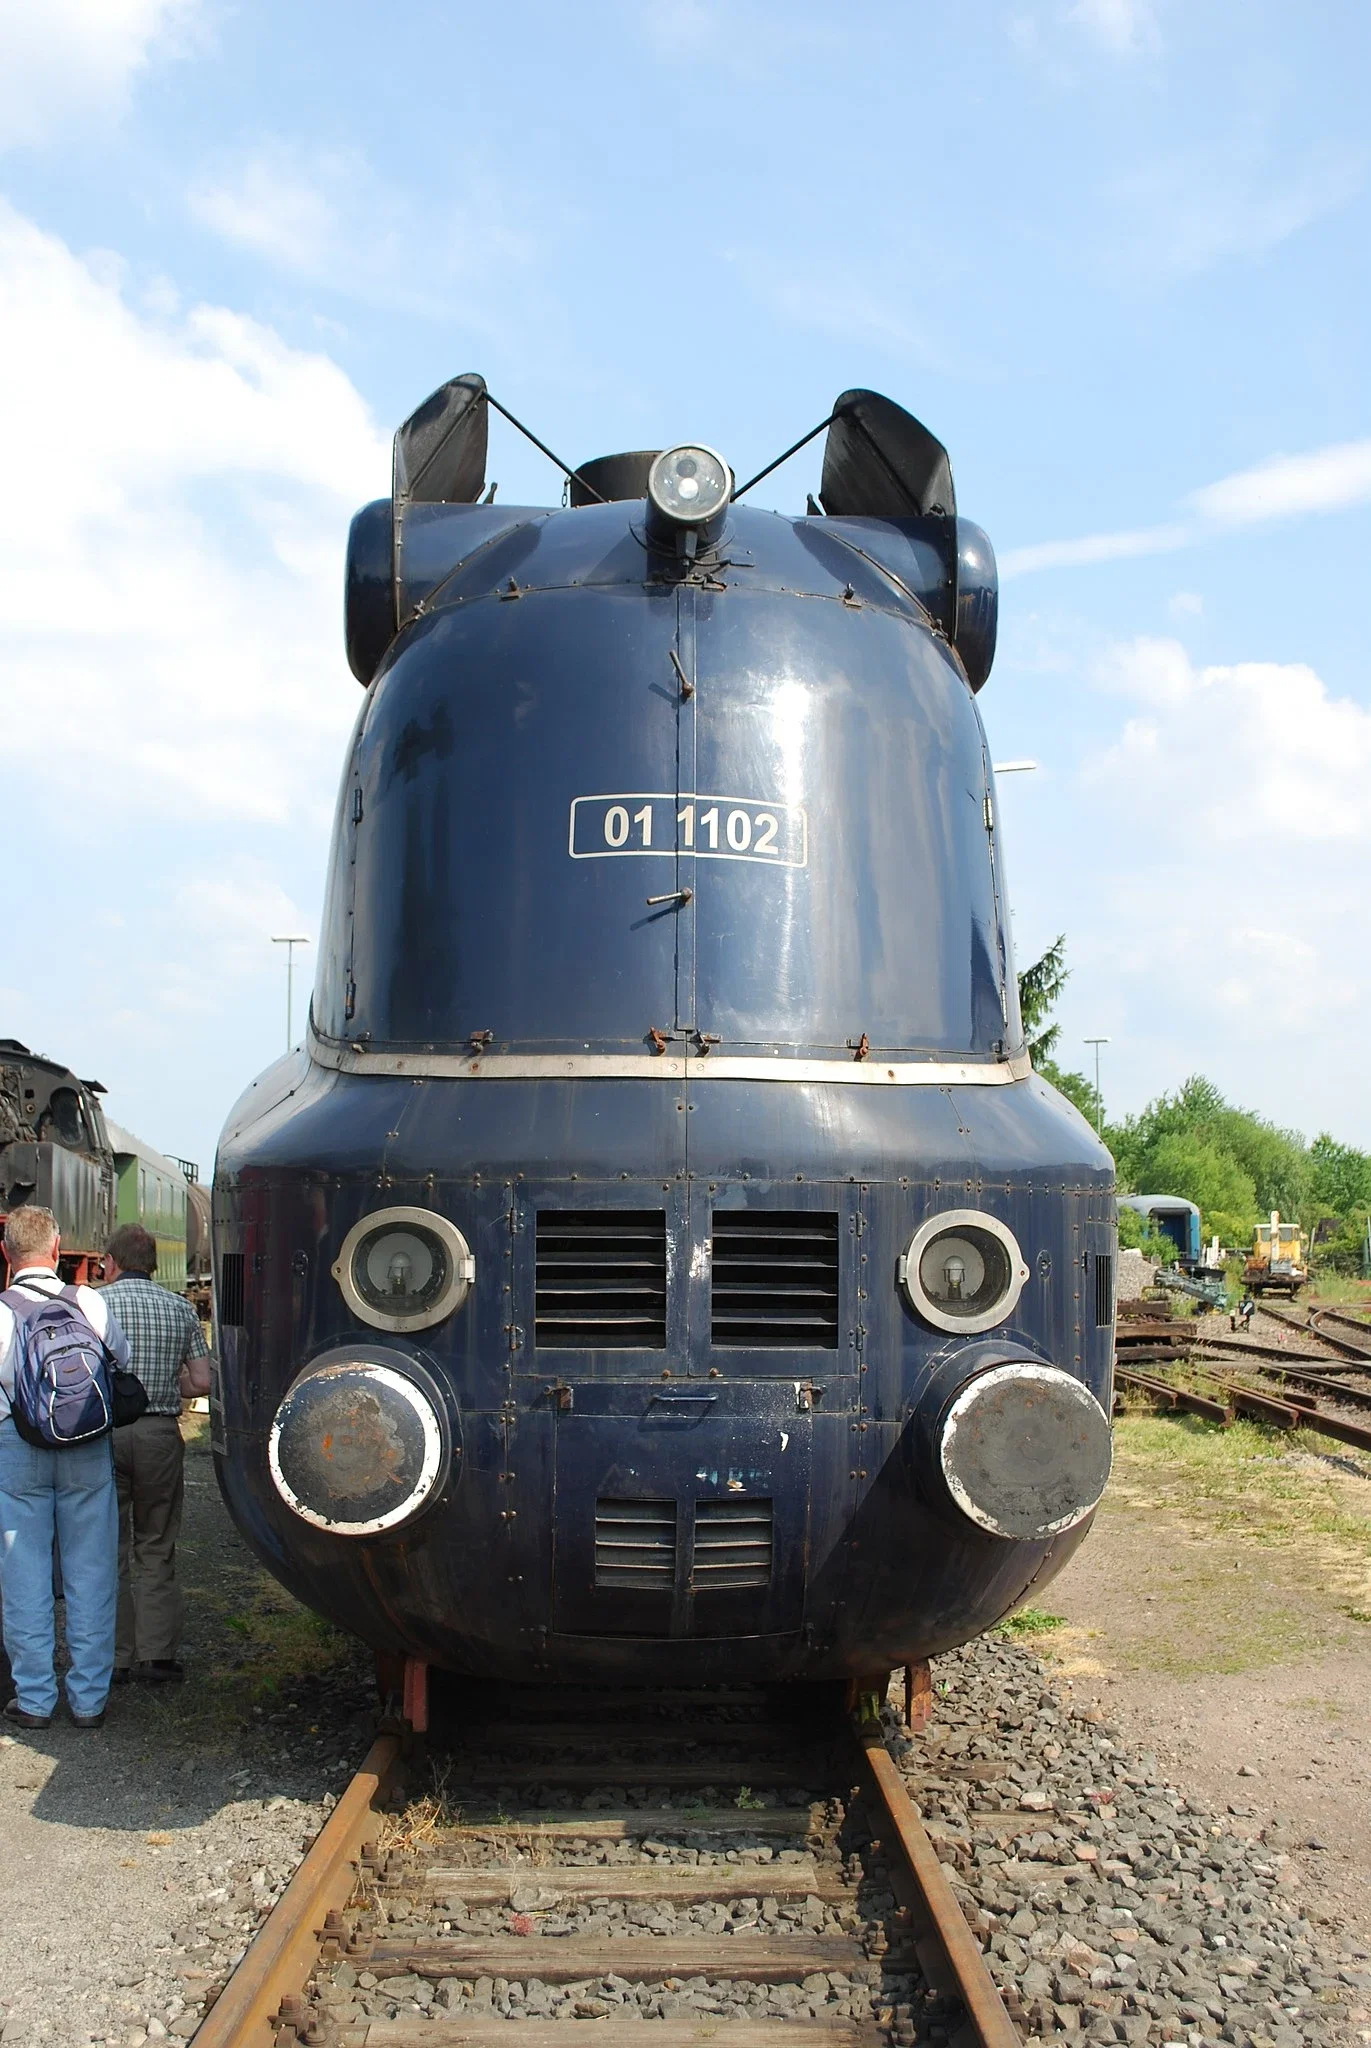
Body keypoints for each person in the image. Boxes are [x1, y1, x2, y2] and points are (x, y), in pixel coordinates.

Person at [0, 1204, 128, 1729]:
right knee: (91, 1571)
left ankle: (33, 1700)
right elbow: (119, 1361)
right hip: (86, 1449)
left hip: (18, 1450)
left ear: (7, 1254)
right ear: (57, 1250)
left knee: (23, 1575)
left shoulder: (2, 1311)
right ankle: (89, 1701)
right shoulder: (88, 1302)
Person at [100, 1224, 212, 1685]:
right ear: (154, 1265)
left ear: (112, 1261)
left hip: (103, 1435)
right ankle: (157, 1656)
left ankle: (115, 1657)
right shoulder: (181, 1308)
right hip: (160, 1434)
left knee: (108, 1547)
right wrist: (170, 1386)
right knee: (156, 1542)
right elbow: (203, 1382)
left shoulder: (95, 1305)